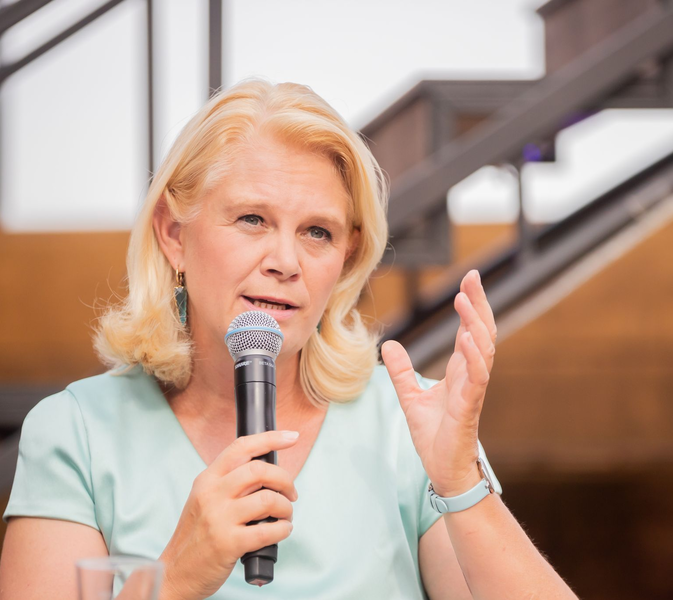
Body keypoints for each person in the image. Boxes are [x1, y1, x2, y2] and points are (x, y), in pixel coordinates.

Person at [0, 79, 577, 600]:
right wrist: (173, 579)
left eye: (317, 232)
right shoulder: (74, 435)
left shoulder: (407, 427)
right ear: (174, 234)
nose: (285, 261)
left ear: (345, 257)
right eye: (252, 219)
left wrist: (460, 484)